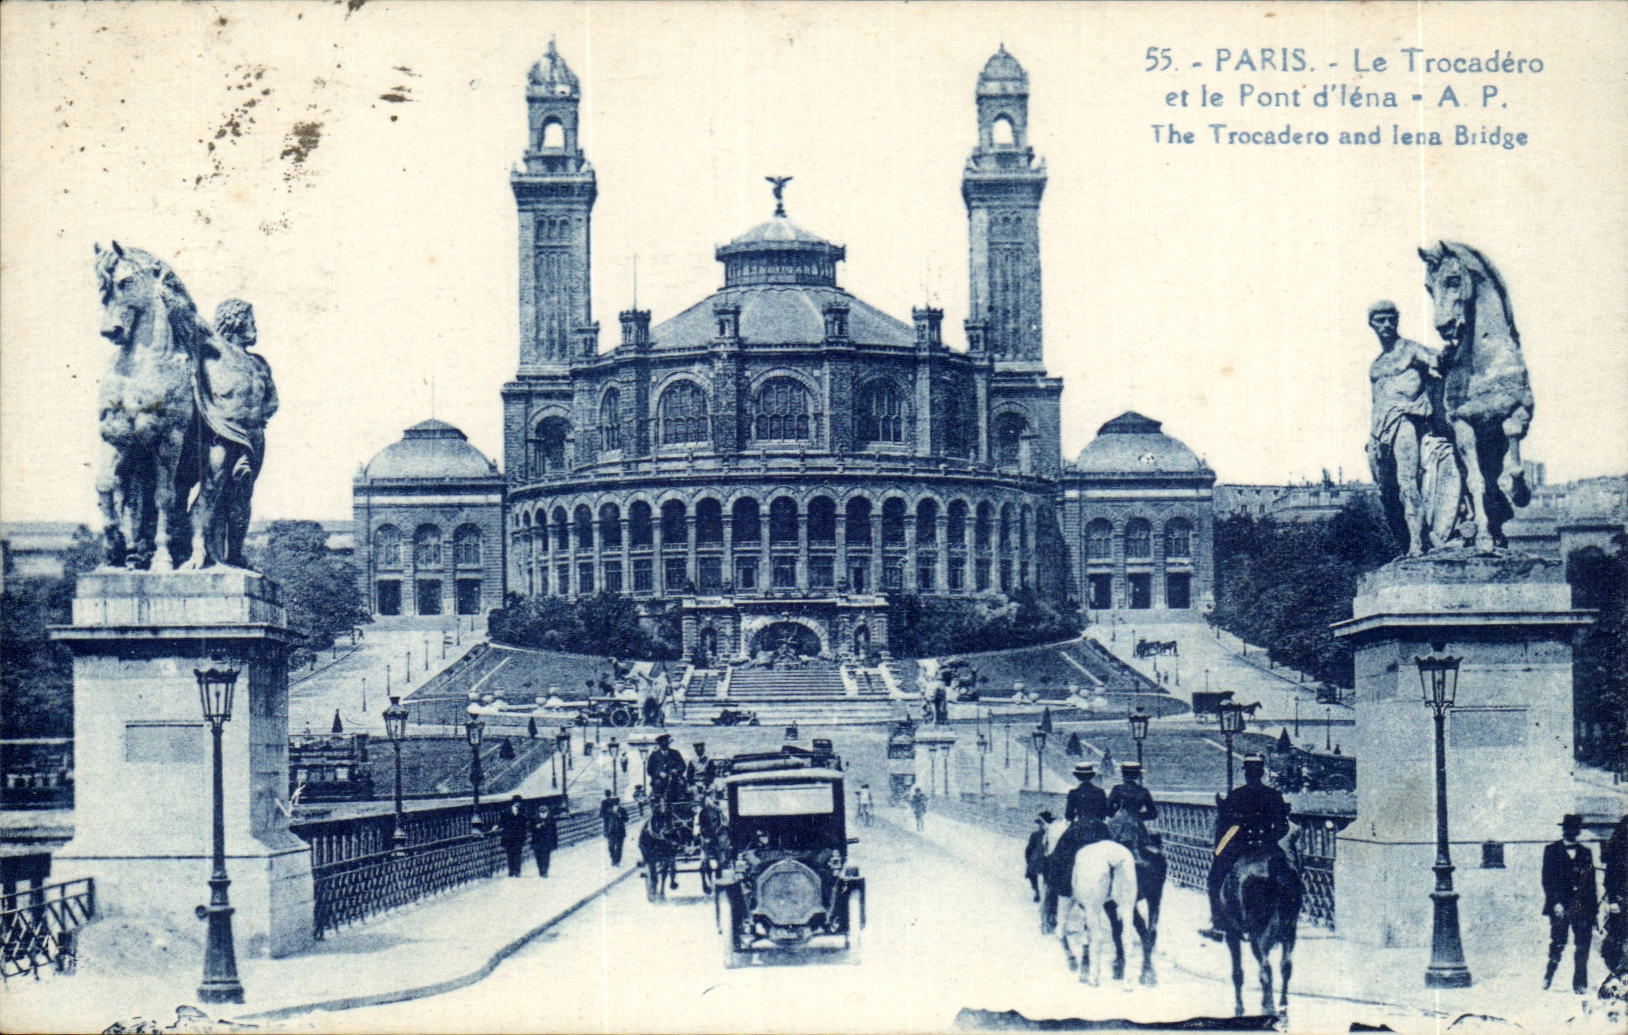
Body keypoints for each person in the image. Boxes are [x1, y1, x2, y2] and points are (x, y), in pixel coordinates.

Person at [1208, 754, 1291, 934]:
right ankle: (1288, 918)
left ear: (1245, 773)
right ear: (1261, 773)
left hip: (1241, 847)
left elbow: (1225, 825)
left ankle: (1219, 923)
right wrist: (1269, 839)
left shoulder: (1236, 795)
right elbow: (1283, 827)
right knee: (1290, 876)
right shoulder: (1274, 795)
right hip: (1268, 847)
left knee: (1215, 877)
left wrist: (1223, 847)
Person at [1542, 813, 1598, 993]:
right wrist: (1555, 903)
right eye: (1567, 829)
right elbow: (1547, 880)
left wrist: (1593, 912)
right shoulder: (1551, 851)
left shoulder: (1585, 853)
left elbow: (1591, 883)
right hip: (1560, 906)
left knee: (1583, 945)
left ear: (1578, 832)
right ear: (1563, 830)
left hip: (1582, 907)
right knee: (1558, 942)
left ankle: (1580, 984)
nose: (1570, 832)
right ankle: (1548, 976)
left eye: (1574, 829)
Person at [1600, 815, 1627, 978]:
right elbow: (1610, 878)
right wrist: (1612, 901)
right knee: (1618, 933)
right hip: (1621, 900)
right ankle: (1619, 970)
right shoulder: (1617, 852)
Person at [497, 796, 530, 878]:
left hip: (518, 837)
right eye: (517, 802)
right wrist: (497, 827)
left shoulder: (522, 812)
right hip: (509, 837)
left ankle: (517, 871)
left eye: (519, 802)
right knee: (510, 854)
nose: (519, 804)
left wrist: (524, 836)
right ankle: (511, 871)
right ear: (514, 803)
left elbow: (524, 825)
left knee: (518, 854)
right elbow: (501, 823)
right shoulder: (506, 812)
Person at [1025, 811, 1054, 903]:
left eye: (1041, 824)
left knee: (1046, 876)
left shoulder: (1052, 835)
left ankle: (1045, 892)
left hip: (1046, 859)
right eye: (1039, 824)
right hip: (1037, 859)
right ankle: (1037, 891)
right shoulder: (1036, 835)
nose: (1040, 826)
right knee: (1032, 872)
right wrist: (1029, 861)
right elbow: (1029, 849)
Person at [646, 733, 685, 802]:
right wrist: (659, 773)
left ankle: (680, 804)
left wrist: (676, 770)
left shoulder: (675, 753)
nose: (664, 744)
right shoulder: (654, 755)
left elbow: (682, 765)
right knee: (657, 785)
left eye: (666, 742)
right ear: (659, 744)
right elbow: (650, 770)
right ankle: (658, 802)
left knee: (681, 784)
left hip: (674, 778)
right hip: (659, 780)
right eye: (662, 742)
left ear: (668, 743)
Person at [531, 805, 559, 877]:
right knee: (538, 857)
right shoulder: (534, 819)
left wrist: (554, 842)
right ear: (539, 812)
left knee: (546, 856)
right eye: (541, 812)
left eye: (544, 812)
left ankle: (544, 870)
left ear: (547, 812)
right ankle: (541, 870)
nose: (543, 813)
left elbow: (554, 831)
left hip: (547, 841)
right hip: (537, 841)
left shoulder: (551, 819)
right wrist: (535, 827)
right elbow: (530, 828)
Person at [604, 799, 628, 866]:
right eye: (614, 803)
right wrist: (605, 831)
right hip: (611, 832)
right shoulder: (608, 811)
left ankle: (616, 861)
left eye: (616, 803)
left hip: (620, 832)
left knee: (619, 847)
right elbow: (606, 822)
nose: (615, 805)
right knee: (610, 847)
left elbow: (626, 819)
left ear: (618, 803)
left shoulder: (622, 810)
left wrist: (621, 816)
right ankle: (613, 859)